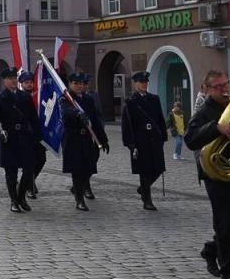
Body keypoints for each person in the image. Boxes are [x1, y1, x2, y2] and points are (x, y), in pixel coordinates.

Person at [184, 69, 230, 279]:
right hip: (214, 173)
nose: (224, 89)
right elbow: (190, 139)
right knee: (223, 221)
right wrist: (216, 128)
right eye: (218, 87)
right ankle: (228, 271)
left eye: (226, 85)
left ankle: (211, 250)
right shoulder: (204, 112)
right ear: (206, 89)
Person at [60, 72, 109, 211]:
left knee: (89, 167)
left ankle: (78, 188)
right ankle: (79, 200)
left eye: (81, 83)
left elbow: (95, 120)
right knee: (77, 170)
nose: (79, 86)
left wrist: (103, 139)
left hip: (87, 138)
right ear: (70, 84)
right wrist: (77, 113)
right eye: (75, 83)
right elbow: (65, 113)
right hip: (73, 138)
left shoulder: (88, 99)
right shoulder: (65, 98)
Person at [0, 70, 38, 213]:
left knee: (29, 170)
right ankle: (13, 201)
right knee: (11, 172)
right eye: (9, 79)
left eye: (14, 78)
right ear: (4, 81)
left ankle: (21, 196)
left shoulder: (24, 97)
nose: (12, 81)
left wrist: (36, 136)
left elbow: (33, 118)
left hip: (24, 137)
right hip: (9, 138)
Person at [120, 71, 168, 211]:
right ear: (135, 84)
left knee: (158, 168)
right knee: (144, 171)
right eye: (141, 82)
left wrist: (163, 135)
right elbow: (126, 124)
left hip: (154, 139)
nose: (144, 84)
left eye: (146, 82)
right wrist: (130, 143)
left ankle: (143, 188)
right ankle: (147, 200)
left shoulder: (154, 99)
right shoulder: (131, 101)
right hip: (140, 141)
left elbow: (160, 119)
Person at [16, 70, 45, 197]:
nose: (29, 84)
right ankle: (28, 185)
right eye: (26, 82)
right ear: (21, 84)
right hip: (25, 135)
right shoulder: (18, 97)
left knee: (41, 160)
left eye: (31, 82)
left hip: (38, 134)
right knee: (28, 162)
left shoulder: (38, 96)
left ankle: (29, 182)